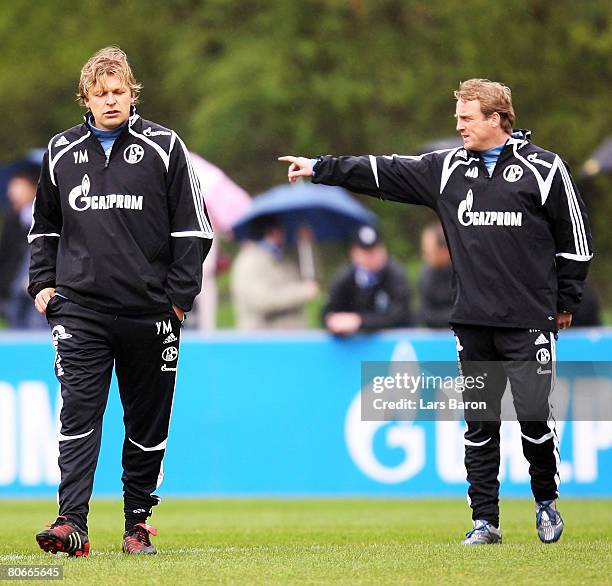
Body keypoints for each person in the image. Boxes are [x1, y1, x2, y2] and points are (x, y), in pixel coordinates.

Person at [280, 78, 593, 545]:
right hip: (472, 318)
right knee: (480, 422)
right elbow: (385, 171)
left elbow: (576, 242)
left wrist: (565, 301)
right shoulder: (448, 170)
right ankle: (485, 522)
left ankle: (545, 502)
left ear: (496, 119)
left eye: (467, 118)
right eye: (457, 118)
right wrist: (321, 167)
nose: (459, 126)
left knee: (533, 417)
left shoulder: (544, 169)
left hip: (528, 319)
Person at [28, 47, 213, 556]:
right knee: (78, 414)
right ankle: (72, 523)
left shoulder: (164, 146)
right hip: (81, 310)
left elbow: (194, 228)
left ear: (133, 93)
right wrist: (42, 284)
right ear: (85, 98)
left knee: (147, 421)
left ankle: (137, 524)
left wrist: (178, 301)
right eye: (101, 93)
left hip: (151, 314)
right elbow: (44, 226)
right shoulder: (60, 151)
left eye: (119, 92)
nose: (111, 101)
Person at [230, 214, 318, 330]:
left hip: (287, 340)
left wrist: (306, 245)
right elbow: (262, 300)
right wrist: (301, 291)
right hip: (263, 343)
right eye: (282, 228)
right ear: (272, 231)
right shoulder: (250, 261)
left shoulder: (282, 258)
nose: (286, 232)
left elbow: (309, 279)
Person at [322, 225, 412, 335]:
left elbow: (400, 315)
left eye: (376, 250)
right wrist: (335, 322)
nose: (374, 257)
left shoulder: (396, 275)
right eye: (367, 253)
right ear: (354, 254)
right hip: (354, 346)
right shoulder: (344, 278)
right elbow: (328, 314)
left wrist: (360, 321)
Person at [0, 167, 46, 328]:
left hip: (39, 285)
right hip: (15, 288)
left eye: (18, 188)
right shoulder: (13, 219)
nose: (12, 194)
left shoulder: (48, 214)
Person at [417, 222, 453, 328]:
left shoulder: (466, 272)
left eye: (428, 252)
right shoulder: (426, 273)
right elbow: (425, 314)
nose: (424, 256)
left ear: (445, 251)